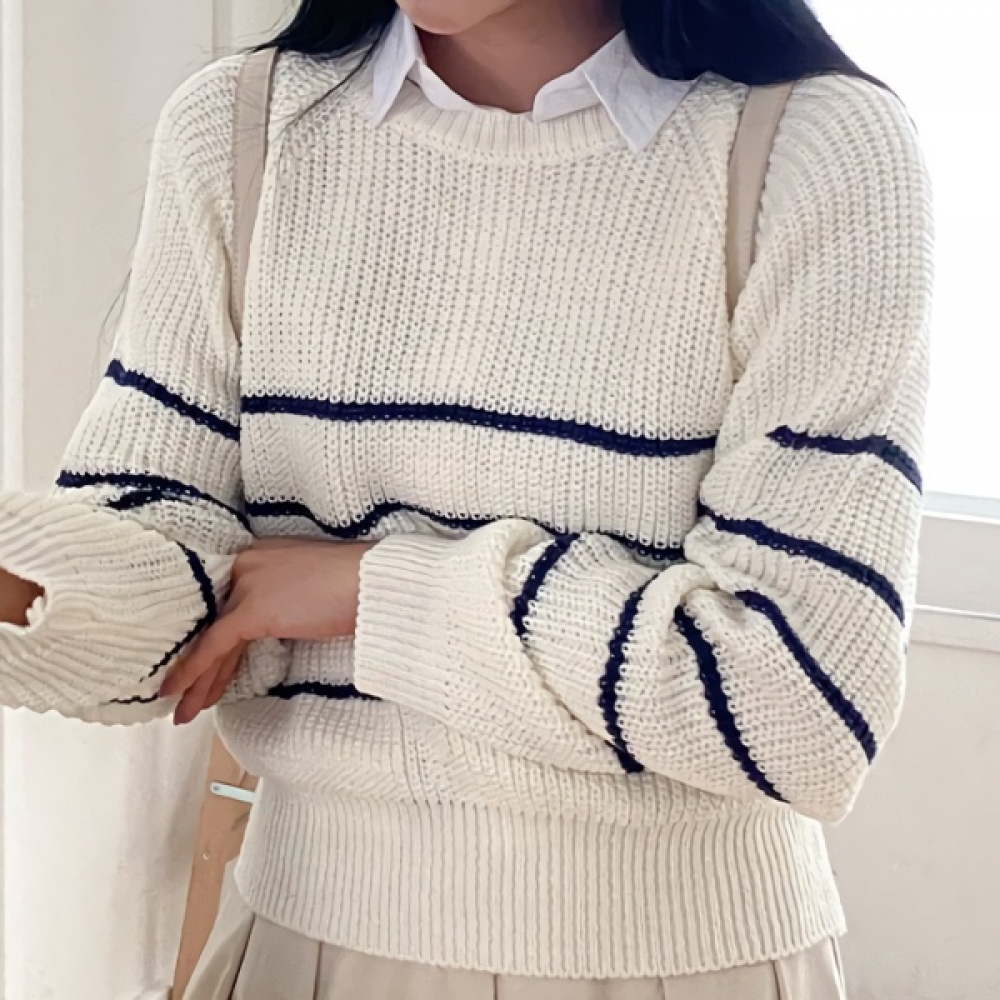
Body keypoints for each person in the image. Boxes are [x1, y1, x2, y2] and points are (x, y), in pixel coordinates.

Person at [0, 0, 933, 996]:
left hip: (696, 963)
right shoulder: (242, 128)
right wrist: (48, 586)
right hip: (302, 952)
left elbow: (802, 708)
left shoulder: (812, 145)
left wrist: (377, 591)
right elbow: (176, 608)